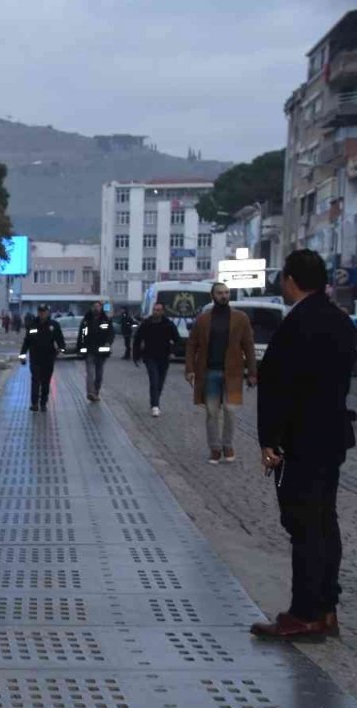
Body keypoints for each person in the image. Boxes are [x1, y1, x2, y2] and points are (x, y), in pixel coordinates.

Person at [252, 249, 356, 641]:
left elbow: (279, 389)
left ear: (291, 281)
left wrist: (270, 442)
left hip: (300, 442)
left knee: (303, 525)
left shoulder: (296, 326)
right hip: (331, 437)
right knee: (325, 523)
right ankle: (327, 608)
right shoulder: (342, 321)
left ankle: (305, 613)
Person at [185, 282, 256, 464]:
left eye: (226, 293)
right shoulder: (203, 319)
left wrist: (253, 372)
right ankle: (215, 448)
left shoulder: (240, 318)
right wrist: (190, 369)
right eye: (220, 293)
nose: (223, 296)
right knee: (211, 412)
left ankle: (228, 444)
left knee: (231, 411)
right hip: (209, 372)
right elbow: (192, 344)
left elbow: (248, 345)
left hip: (233, 373)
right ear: (213, 295)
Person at [133, 302, 180, 416]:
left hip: (164, 357)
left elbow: (177, 339)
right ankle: (155, 406)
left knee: (160, 382)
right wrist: (136, 356)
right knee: (154, 380)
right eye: (154, 310)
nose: (156, 312)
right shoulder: (146, 323)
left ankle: (155, 400)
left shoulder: (168, 324)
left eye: (158, 310)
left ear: (163, 311)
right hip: (150, 356)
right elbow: (137, 339)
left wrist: (173, 352)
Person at [20, 304, 64, 412]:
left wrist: (61, 350)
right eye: (40, 311)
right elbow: (27, 341)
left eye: (44, 311)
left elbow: (60, 341)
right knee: (35, 380)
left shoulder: (54, 325)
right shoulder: (32, 325)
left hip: (48, 358)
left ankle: (43, 402)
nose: (42, 313)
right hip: (35, 357)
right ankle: (34, 403)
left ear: (48, 313)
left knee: (45, 382)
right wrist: (22, 355)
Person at [79, 301, 114, 401]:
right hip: (90, 350)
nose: (96, 308)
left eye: (98, 306)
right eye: (94, 306)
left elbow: (110, 333)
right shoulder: (86, 321)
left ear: (101, 308)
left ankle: (96, 392)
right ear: (91, 308)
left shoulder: (105, 320)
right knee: (90, 373)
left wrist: (108, 342)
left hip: (101, 352)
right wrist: (81, 346)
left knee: (99, 375)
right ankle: (90, 392)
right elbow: (82, 334)